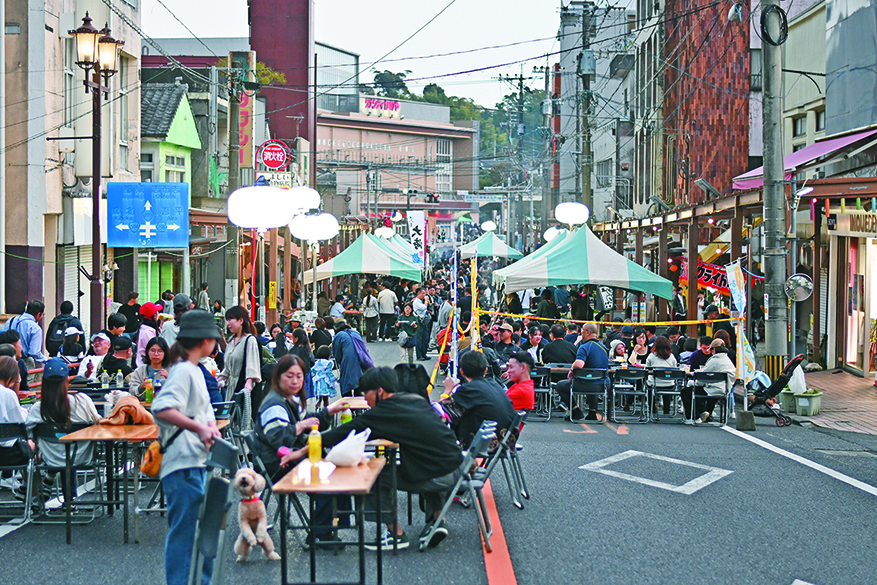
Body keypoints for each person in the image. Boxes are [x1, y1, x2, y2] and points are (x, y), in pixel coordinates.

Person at [282, 367, 463, 550]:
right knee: (425, 461)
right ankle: (437, 520)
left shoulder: (383, 413)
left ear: (380, 391)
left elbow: (343, 432)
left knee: (373, 476)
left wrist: (302, 450)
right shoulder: (414, 400)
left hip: (438, 476)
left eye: (365, 393)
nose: (365, 399)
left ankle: (395, 535)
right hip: (456, 469)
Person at [151, 310, 223, 585]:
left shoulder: (189, 369)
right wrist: (201, 428)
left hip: (192, 461)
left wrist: (207, 426)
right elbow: (162, 408)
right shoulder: (184, 370)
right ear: (205, 340)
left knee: (198, 531)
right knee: (185, 533)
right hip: (183, 464)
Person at [26, 358, 100, 500]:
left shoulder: (38, 409)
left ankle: (45, 482)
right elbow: (98, 422)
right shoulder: (82, 400)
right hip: (82, 455)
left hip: (50, 456)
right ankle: (68, 499)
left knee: (61, 443)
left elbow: (29, 433)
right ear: (67, 379)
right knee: (68, 446)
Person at [442, 351, 517, 448]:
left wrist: (447, 390)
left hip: (487, 443)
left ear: (462, 372)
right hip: (508, 439)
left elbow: (443, 413)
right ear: (486, 370)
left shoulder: (468, 389)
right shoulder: (494, 384)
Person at [554, 323, 609, 421]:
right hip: (603, 384)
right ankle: (592, 412)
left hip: (586, 384)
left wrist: (571, 369)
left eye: (582, 330)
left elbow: (579, 364)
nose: (581, 332)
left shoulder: (584, 347)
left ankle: (576, 410)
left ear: (588, 332)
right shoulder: (603, 347)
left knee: (561, 385)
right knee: (593, 379)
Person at [682, 338, 735, 424]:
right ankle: (705, 413)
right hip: (724, 389)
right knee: (701, 392)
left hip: (712, 389)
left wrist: (692, 382)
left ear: (714, 349)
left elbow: (702, 377)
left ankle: (695, 416)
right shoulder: (727, 360)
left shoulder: (714, 360)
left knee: (686, 392)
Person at [0, 356, 32, 498]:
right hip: (8, 454)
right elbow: (21, 422)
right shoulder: (8, 394)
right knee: (32, 445)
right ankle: (30, 493)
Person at [217, 305, 261, 401]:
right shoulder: (231, 341)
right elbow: (227, 367)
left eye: (230, 319)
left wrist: (249, 382)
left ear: (241, 321)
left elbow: (252, 364)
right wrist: (221, 378)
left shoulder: (250, 340)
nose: (228, 323)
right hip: (231, 389)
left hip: (243, 391)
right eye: (227, 320)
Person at [5, 300, 47, 367]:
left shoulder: (10, 320)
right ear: (38, 314)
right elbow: (34, 352)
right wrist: (47, 361)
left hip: (6, 359)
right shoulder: (35, 328)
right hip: (24, 361)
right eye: (42, 314)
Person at [332, 319, 368, 397]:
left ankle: (348, 407)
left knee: (346, 384)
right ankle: (359, 406)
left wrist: (340, 362)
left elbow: (337, 353)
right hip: (362, 359)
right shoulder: (356, 332)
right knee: (359, 382)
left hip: (348, 361)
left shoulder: (339, 335)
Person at [645, 336, 679, 415]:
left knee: (649, 385)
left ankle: (652, 407)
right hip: (669, 383)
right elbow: (675, 368)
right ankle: (666, 409)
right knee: (668, 386)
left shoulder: (651, 356)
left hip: (654, 383)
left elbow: (646, 369)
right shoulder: (671, 357)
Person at [135, 302, 162, 367]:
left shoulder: (147, 329)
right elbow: (156, 348)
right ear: (154, 316)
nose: (158, 314)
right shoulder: (147, 333)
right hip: (147, 367)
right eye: (156, 312)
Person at [289, 328, 314, 397]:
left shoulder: (293, 350)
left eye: (292, 338)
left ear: (296, 339)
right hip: (307, 373)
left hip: (296, 375)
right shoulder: (307, 349)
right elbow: (312, 361)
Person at [412, 289, 431, 361]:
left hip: (424, 321)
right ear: (418, 294)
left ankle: (424, 353)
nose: (424, 295)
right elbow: (424, 307)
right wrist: (426, 301)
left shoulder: (421, 301)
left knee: (425, 338)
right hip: (419, 321)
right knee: (419, 339)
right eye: (423, 293)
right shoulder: (416, 302)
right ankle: (419, 355)